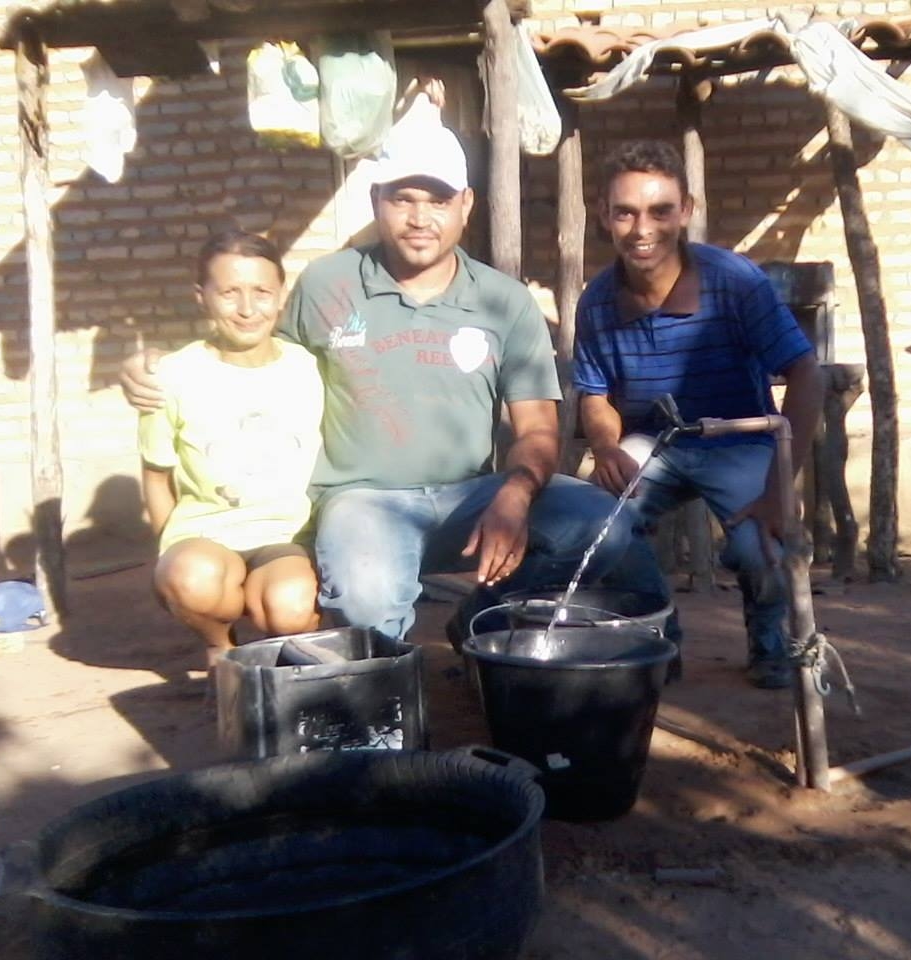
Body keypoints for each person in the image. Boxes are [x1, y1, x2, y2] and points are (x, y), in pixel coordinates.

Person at [124, 89, 630, 647]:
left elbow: (538, 428)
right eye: (402, 198)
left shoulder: (503, 301)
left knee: (603, 526)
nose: (419, 218)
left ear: (465, 205)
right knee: (366, 599)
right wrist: (155, 369)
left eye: (436, 201)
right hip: (361, 502)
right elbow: (257, 356)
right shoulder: (326, 284)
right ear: (375, 200)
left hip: (471, 498)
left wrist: (513, 494)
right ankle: (384, 701)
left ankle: (480, 618)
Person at [575, 140, 824, 689]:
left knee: (761, 547)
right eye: (626, 212)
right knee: (593, 520)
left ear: (685, 210)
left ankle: (770, 643)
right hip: (654, 443)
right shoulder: (596, 301)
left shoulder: (734, 282)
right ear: (603, 216)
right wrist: (606, 447)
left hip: (737, 440)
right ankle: (660, 636)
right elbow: (594, 395)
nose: (643, 229)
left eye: (660, 211)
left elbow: (807, 373)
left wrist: (783, 485)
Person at [139, 230, 323, 668]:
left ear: (282, 296)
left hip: (286, 536)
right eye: (229, 292)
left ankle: (284, 663)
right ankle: (220, 645)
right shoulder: (171, 375)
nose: (246, 309)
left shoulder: (307, 367)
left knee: (291, 605)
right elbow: (155, 474)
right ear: (201, 297)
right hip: (205, 535)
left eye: (261, 292)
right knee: (190, 577)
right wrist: (172, 552)